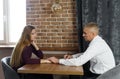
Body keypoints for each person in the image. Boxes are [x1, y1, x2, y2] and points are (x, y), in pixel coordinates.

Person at [48, 22, 116, 79]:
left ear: (93, 34)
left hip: (103, 76)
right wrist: (73, 56)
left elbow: (79, 62)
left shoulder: (96, 45)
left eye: (85, 33)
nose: (83, 35)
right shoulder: (97, 42)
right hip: (98, 73)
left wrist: (58, 61)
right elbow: (86, 53)